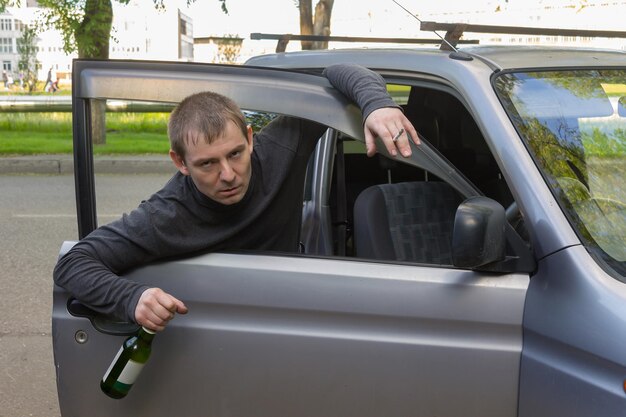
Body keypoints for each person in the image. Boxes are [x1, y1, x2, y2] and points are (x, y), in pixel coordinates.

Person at [53, 63, 420, 332]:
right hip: (223, 326)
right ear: (179, 162)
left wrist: (377, 105)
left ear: (250, 137)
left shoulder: (279, 147)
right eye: (207, 164)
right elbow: (73, 263)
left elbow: (339, 72)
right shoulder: (166, 214)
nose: (227, 174)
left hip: (295, 307)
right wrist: (133, 298)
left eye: (235, 154)